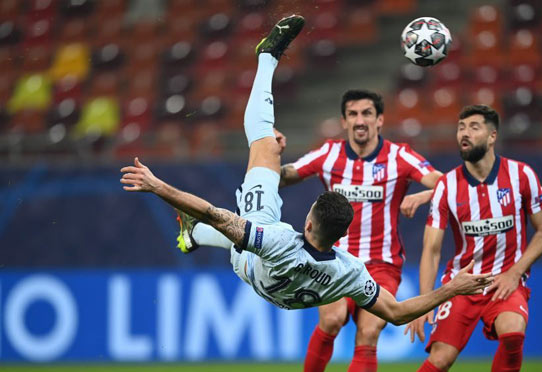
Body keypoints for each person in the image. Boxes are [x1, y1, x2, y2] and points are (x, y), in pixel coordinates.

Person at [120, 13, 493, 338]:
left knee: (262, 145)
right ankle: (193, 237)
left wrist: (157, 186)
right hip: (280, 293)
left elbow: (212, 212)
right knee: (229, 215)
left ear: (309, 224)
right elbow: (397, 313)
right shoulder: (350, 271)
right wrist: (453, 288)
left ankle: (267, 57)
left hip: (256, 262)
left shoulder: (278, 240)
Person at [184, 75, 443, 372]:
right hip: (334, 260)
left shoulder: (400, 157)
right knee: (331, 321)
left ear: (380, 120)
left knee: (369, 333)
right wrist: (272, 154)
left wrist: (423, 196)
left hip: (382, 263)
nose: (360, 120)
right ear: (344, 121)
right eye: (353, 114)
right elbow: (285, 175)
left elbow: (447, 183)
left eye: (367, 114)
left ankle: (199, 232)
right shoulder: (329, 153)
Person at [404, 105, 542, 372]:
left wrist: (515, 272)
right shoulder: (447, 186)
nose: (465, 133)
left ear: (492, 136)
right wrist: (425, 299)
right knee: (440, 359)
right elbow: (431, 249)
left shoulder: (522, 175)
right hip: (462, 284)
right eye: (461, 128)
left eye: (474, 127)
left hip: (506, 279)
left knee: (513, 333)